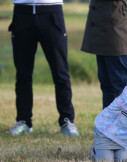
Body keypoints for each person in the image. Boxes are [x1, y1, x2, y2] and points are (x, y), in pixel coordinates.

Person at [7, 0, 79, 136]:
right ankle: (24, 121)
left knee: (60, 72)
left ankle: (66, 120)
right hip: (22, 12)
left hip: (51, 12)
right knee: (23, 73)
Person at [81, 0, 127, 109]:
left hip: (116, 26)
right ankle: (108, 121)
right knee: (106, 82)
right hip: (101, 26)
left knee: (121, 85)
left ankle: (124, 122)